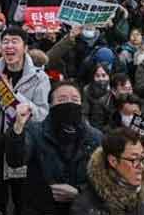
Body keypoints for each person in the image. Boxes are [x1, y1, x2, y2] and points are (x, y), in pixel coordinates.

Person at [0, 26, 51, 214]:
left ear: (25, 47)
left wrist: (15, 97)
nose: (9, 46)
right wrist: (0, 94)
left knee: (22, 205)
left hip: (23, 154)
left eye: (15, 41)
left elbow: (42, 116)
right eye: (5, 41)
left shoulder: (39, 78)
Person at [7, 81, 103, 215]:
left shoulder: (95, 137)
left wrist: (79, 192)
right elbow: (15, 160)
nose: (69, 103)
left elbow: (103, 181)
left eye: (74, 100)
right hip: (39, 208)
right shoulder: (34, 131)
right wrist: (18, 127)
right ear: (51, 105)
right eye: (62, 100)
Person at [70, 127, 144, 215]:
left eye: (142, 158)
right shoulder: (86, 206)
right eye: (134, 159)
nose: (141, 166)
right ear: (113, 161)